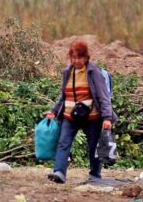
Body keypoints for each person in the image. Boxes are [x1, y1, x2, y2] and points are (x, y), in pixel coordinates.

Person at [44, 40, 117, 184]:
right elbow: (63, 95)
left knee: (93, 145)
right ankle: (59, 172)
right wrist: (53, 111)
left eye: (80, 57)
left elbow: (103, 96)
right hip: (69, 116)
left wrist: (107, 117)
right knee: (64, 143)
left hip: (91, 117)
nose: (77, 61)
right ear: (70, 58)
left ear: (86, 57)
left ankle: (95, 175)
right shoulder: (67, 72)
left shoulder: (93, 72)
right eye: (74, 57)